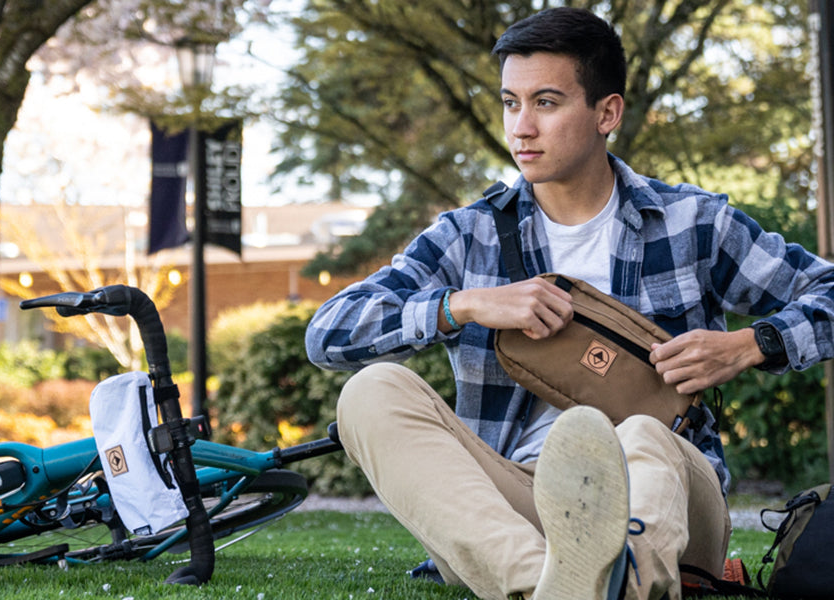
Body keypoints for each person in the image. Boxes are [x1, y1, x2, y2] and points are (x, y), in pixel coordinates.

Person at [304, 7, 834, 600]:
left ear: (606, 112)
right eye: (510, 103)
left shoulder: (695, 223)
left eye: (546, 103)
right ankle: (554, 585)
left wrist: (751, 344)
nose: (521, 129)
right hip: (514, 509)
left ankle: (603, 576)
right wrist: (467, 305)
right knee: (369, 393)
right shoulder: (468, 235)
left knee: (639, 433)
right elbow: (328, 332)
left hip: (668, 501)